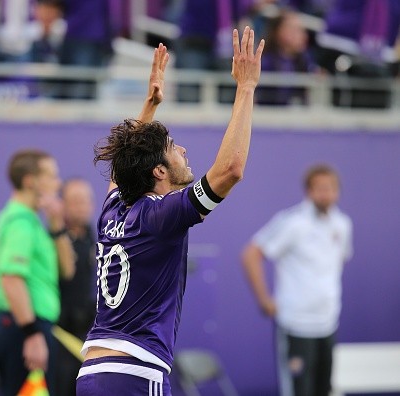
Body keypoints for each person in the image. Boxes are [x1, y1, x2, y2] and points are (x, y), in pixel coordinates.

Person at [76, 28, 264, 396]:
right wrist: (245, 88)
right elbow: (229, 171)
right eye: (175, 148)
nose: (184, 151)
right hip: (134, 372)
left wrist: (150, 105)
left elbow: (121, 168)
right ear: (159, 171)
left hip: (92, 373)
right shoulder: (161, 215)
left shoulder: (113, 211)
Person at [241, 164, 353, 396]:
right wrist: (265, 300)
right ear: (309, 192)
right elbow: (251, 254)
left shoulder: (342, 224)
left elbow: (337, 262)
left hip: (328, 325)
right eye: (320, 188)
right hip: (296, 326)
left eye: (331, 188)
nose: (326, 193)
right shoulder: (292, 222)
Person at [0, 149, 76, 396]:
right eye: (51, 176)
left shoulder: (32, 221)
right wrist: (32, 335)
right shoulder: (20, 223)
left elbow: (67, 271)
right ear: (30, 181)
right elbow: (11, 278)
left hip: (30, 326)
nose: (57, 183)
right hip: (23, 328)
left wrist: (57, 223)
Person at [55, 178, 96, 396]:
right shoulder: (52, 241)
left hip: (87, 334)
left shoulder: (98, 240)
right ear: (62, 205)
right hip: (58, 333)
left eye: (86, 200)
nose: (82, 206)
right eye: (76, 201)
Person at [256, 8, 318, 105]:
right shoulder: (264, 63)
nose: (303, 36)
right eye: (295, 30)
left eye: (302, 31)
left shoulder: (306, 61)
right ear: (278, 32)